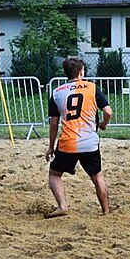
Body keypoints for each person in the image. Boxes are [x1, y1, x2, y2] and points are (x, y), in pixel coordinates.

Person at [45, 57, 113, 218]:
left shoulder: (56, 93)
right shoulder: (92, 87)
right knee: (97, 176)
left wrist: (50, 147)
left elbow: (54, 124)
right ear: (81, 72)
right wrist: (103, 123)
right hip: (89, 142)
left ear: (65, 73)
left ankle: (62, 206)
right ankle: (106, 211)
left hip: (68, 143)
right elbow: (108, 112)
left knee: (54, 174)